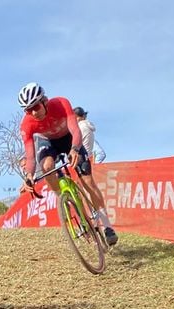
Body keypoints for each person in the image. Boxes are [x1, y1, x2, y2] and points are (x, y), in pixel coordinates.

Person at [17, 82, 117, 245]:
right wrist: (29, 175)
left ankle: (107, 226)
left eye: (35, 107)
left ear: (45, 101)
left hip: (69, 138)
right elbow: (29, 153)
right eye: (28, 110)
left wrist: (75, 149)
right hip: (48, 142)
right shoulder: (27, 124)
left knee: (89, 182)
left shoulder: (61, 104)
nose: (33, 112)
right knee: (47, 167)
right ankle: (63, 197)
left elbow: (75, 130)